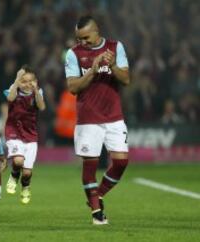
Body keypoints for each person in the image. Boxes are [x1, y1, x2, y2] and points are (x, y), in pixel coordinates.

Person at [64, 15, 130, 225]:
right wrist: (92, 71)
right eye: (78, 38)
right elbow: (73, 87)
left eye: (85, 38)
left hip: (114, 116)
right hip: (88, 119)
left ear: (96, 31)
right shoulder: (73, 54)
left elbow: (126, 79)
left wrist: (113, 67)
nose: (81, 42)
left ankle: (97, 195)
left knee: (121, 162)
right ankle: (96, 213)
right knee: (90, 167)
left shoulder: (115, 47)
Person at [4, 65, 46, 204]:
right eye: (24, 81)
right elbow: (10, 98)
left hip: (30, 134)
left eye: (30, 81)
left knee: (27, 172)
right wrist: (16, 80)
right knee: (18, 161)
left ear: (35, 81)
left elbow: (41, 107)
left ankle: (25, 186)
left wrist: (36, 90)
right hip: (13, 131)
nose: (27, 84)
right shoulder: (14, 88)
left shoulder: (37, 92)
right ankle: (14, 175)